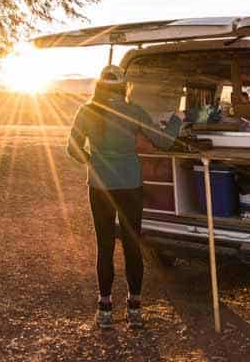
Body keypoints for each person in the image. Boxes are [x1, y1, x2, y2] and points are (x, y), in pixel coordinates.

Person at [66, 65, 174, 330]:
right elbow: (165, 142)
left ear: (100, 86)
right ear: (123, 86)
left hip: (100, 186)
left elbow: (72, 148)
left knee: (104, 247)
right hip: (130, 186)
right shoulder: (133, 110)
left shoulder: (87, 110)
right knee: (132, 245)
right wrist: (177, 120)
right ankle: (134, 309)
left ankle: (104, 309)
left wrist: (94, 163)